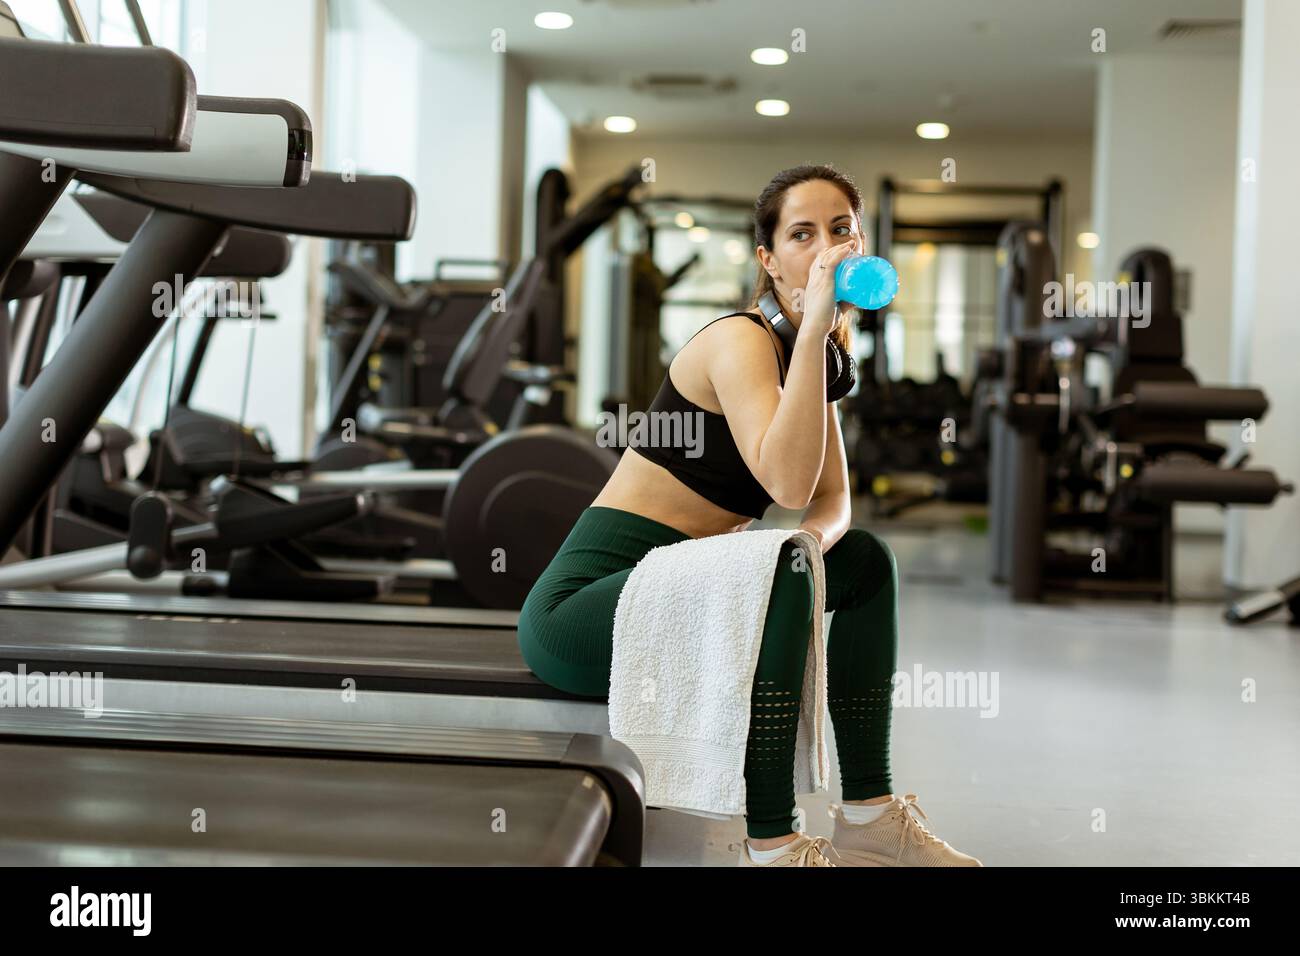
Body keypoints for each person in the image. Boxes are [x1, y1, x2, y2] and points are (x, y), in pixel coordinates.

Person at [517, 164, 982, 868]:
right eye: (802, 233)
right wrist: (780, 561)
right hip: (585, 609)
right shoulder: (739, 340)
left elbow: (832, 505)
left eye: (840, 231)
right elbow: (788, 480)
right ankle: (772, 843)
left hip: (679, 587)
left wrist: (792, 561)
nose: (823, 247)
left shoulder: (814, 356)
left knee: (865, 562)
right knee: (785, 562)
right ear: (769, 259)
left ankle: (870, 814)